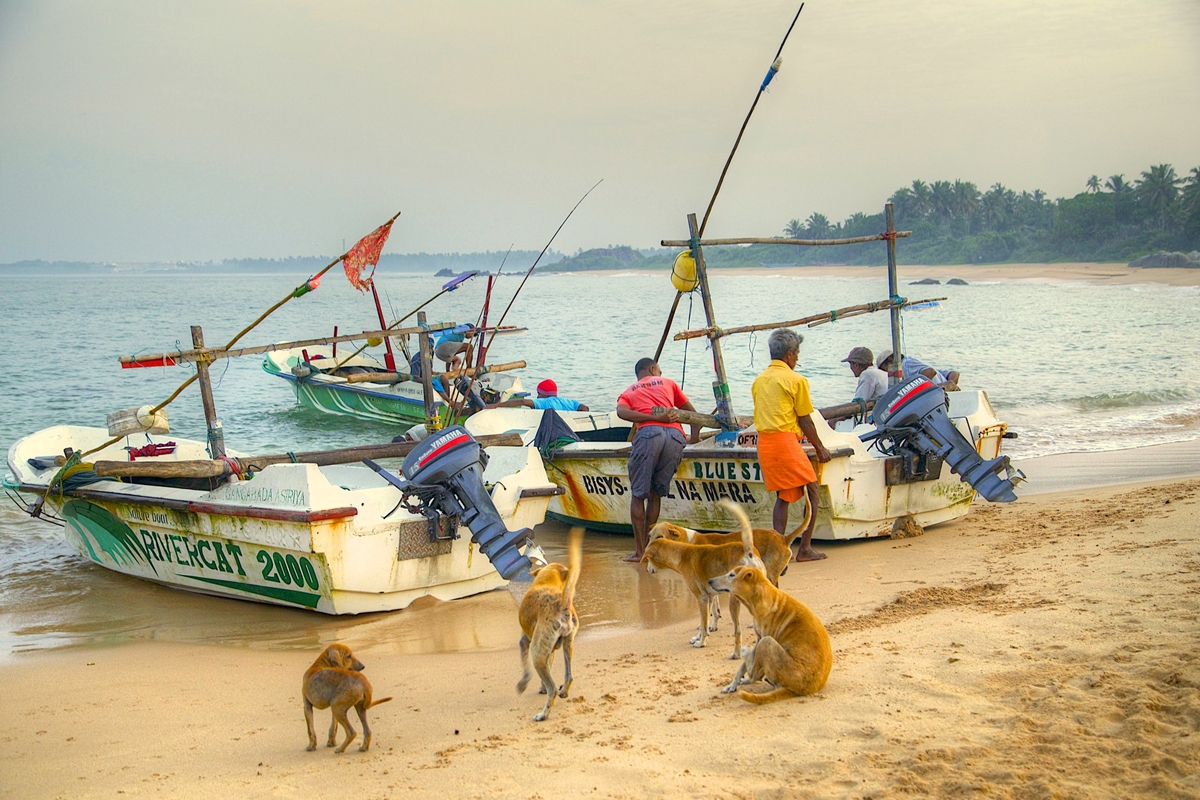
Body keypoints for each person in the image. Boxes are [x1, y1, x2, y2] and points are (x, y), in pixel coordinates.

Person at [751, 329, 831, 562]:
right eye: (796, 354)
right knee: (813, 492)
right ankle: (804, 548)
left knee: (784, 496)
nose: (797, 359)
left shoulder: (760, 380)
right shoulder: (796, 380)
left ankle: (777, 548)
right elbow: (805, 418)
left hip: (766, 443)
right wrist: (819, 447)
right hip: (785, 442)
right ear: (789, 354)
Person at [616, 358, 700, 562]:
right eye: (659, 371)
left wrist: (649, 419)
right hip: (675, 437)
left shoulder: (629, 391)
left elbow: (621, 412)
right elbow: (692, 415)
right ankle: (651, 549)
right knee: (655, 494)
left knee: (638, 495)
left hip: (648, 436)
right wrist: (694, 439)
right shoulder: (669, 383)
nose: (660, 374)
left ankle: (639, 552)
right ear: (653, 369)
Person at [875, 349, 960, 390]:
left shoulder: (906, 363)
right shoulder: (917, 365)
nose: (887, 374)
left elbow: (930, 372)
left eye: (885, 370)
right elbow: (954, 373)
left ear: (890, 361)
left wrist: (911, 389)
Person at [490, 379, 590, 412]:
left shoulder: (544, 402)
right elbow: (585, 408)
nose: (537, 397)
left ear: (545, 394)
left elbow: (522, 401)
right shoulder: (569, 402)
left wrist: (495, 406)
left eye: (539, 394)